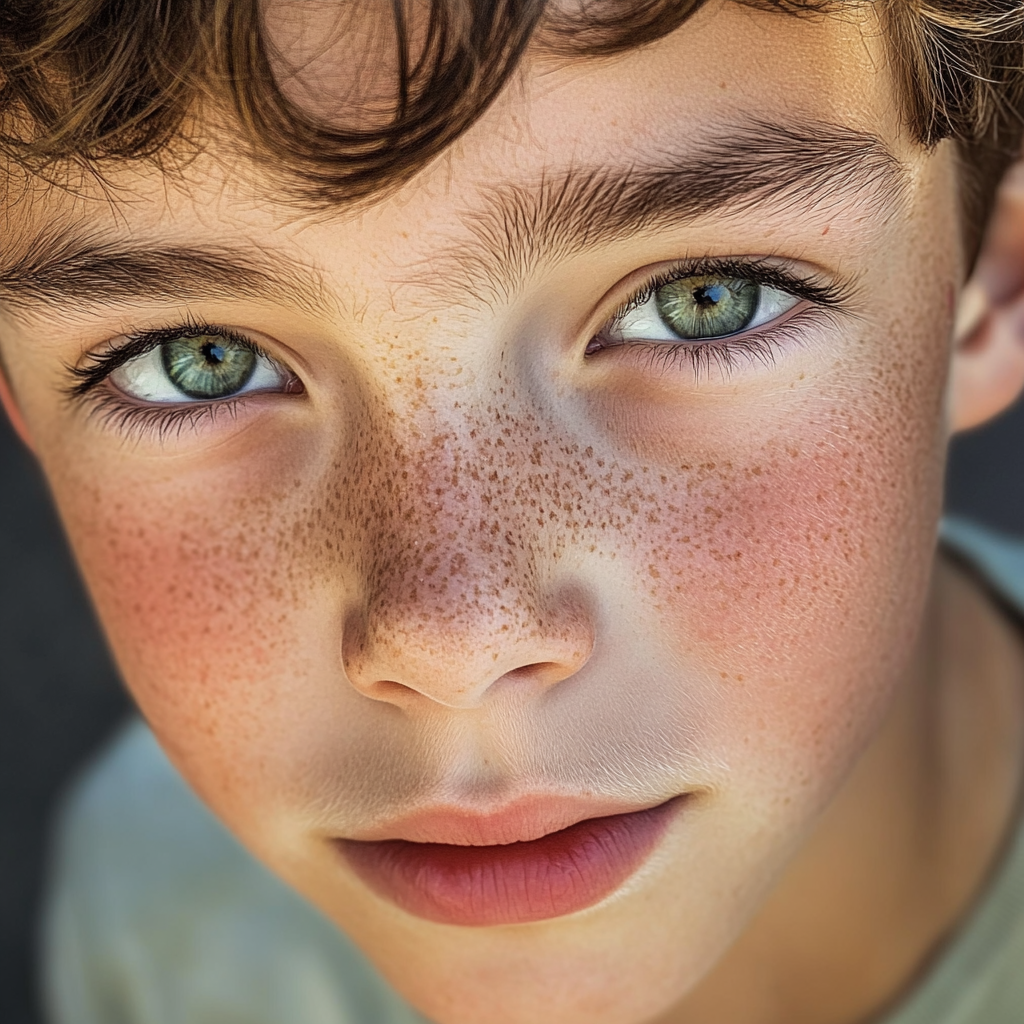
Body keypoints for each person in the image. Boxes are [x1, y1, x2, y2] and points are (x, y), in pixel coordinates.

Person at [4, 1, 1024, 1022]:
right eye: (199, 365)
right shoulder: (153, 892)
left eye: (701, 299)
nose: (456, 646)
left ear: (987, 285)